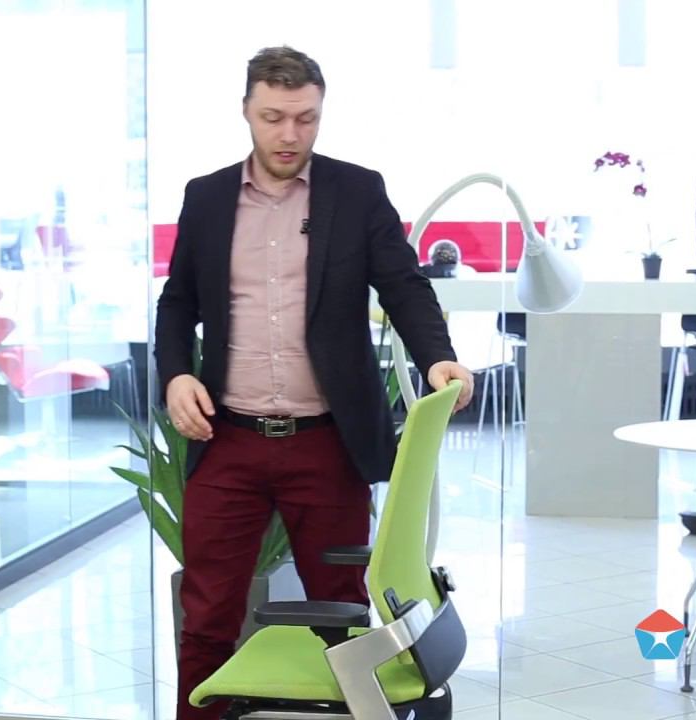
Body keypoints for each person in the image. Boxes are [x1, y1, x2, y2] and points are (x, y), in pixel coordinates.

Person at [154, 45, 474, 719]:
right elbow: (177, 301)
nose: (289, 134)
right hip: (228, 440)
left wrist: (437, 357)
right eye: (273, 117)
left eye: (306, 118)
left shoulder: (356, 192)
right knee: (207, 616)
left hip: (326, 444)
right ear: (246, 111)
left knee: (343, 615)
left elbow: (404, 285)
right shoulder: (206, 197)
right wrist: (177, 374)